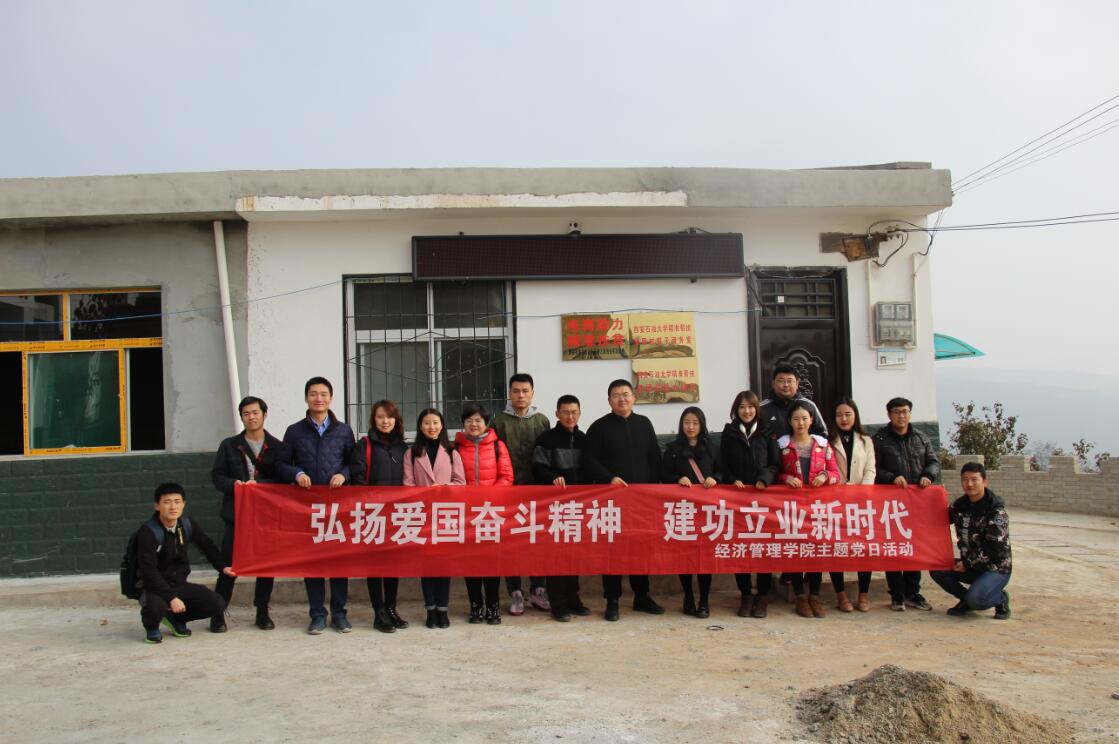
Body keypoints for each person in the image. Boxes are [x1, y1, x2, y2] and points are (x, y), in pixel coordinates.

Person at [276, 376, 356, 635]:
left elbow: (354, 463)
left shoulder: (343, 431)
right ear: (306, 398)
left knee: (339, 562)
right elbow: (281, 464)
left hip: (337, 507)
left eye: (323, 394)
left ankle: (340, 614)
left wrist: (343, 474)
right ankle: (317, 614)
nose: (318, 398)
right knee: (312, 562)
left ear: (331, 398)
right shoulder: (294, 431)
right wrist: (297, 473)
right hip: (308, 507)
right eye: (313, 394)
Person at [583, 378, 665, 621]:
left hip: (641, 501)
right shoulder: (599, 427)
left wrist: (652, 488)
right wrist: (609, 478)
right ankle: (612, 601)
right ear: (609, 400)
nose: (622, 399)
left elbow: (654, 457)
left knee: (640, 549)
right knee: (613, 551)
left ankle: (641, 597)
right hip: (612, 501)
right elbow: (588, 460)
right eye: (616, 395)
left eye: (626, 394)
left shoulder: (644, 423)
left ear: (634, 397)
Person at [210, 395, 283, 633]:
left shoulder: (277, 446)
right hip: (236, 516)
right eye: (246, 414)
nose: (251, 417)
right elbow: (217, 477)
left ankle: (262, 611)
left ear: (264, 414)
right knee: (229, 566)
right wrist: (236, 485)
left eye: (255, 412)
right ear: (242, 417)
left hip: (265, 516)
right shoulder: (229, 445)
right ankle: (218, 612)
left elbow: (282, 480)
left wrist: (260, 486)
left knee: (266, 567)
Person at [136, 483, 235, 644]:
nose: (173, 507)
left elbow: (207, 545)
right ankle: (151, 628)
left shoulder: (186, 524)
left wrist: (223, 567)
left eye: (177, 501)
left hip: (178, 583)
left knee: (217, 603)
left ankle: (176, 619)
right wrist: (171, 598)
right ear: (157, 506)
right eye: (167, 502)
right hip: (152, 587)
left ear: (183, 504)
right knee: (157, 608)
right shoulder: (148, 532)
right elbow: (148, 571)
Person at [873, 396, 941, 612]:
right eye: (896, 412)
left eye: (905, 412)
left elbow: (933, 461)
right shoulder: (880, 439)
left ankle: (913, 592)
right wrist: (891, 477)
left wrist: (928, 475)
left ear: (910, 413)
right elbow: (873, 468)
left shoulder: (921, 438)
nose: (901, 416)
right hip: (891, 503)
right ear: (889, 415)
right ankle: (897, 594)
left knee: (913, 547)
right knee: (893, 548)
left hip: (917, 502)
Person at [492, 373, 552, 615]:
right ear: (509, 393)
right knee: (511, 543)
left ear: (532, 393)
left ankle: (538, 589)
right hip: (508, 494)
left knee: (537, 542)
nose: (520, 395)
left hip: (538, 493)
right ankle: (515, 592)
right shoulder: (498, 421)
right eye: (516, 391)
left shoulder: (542, 421)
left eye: (525, 391)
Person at [719, 390, 781, 618]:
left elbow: (775, 464)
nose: (746, 411)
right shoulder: (729, 433)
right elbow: (722, 465)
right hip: (737, 501)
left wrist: (764, 479)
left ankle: (762, 596)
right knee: (740, 549)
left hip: (762, 499)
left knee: (763, 549)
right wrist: (731, 479)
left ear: (757, 409)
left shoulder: (767, 432)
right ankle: (745, 595)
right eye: (742, 407)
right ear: (736, 410)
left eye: (750, 407)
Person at [404, 407, 466, 629]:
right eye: (427, 423)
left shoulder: (451, 452)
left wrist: (444, 488)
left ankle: (443, 609)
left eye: (436, 423)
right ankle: (430, 609)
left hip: (445, 515)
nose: (432, 427)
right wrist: (423, 496)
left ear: (442, 426)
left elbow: (461, 483)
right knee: (427, 565)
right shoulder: (411, 453)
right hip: (421, 515)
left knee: (443, 564)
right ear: (420, 426)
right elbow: (408, 485)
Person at [351, 399, 411, 633]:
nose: (385, 421)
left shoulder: (403, 448)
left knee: (393, 564)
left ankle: (391, 608)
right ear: (373, 420)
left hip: (397, 514)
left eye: (389, 417)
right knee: (375, 565)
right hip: (373, 514)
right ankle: (379, 612)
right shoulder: (364, 445)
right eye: (380, 417)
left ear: (396, 420)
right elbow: (357, 479)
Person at [532, 394, 592, 621]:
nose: (570, 416)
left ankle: (573, 599)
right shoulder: (546, 439)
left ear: (580, 413)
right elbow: (538, 466)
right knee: (556, 556)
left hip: (579, 507)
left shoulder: (585, 439)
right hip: (554, 507)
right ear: (557, 414)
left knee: (574, 556)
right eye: (565, 412)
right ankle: (558, 604)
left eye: (574, 412)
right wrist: (552, 477)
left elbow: (592, 467)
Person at [777, 402, 840, 618]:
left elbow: (835, 473)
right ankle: (800, 596)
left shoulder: (822, 445)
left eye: (804, 418)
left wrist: (825, 476)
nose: (800, 423)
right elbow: (775, 472)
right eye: (796, 419)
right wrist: (786, 478)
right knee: (795, 551)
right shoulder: (782, 446)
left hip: (817, 507)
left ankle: (814, 595)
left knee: (816, 551)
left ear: (811, 420)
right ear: (790, 421)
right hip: (792, 507)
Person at [455, 403, 514, 625]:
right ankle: (475, 605)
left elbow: (506, 477)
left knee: (491, 561)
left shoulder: (498, 446)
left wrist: (488, 498)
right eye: (469, 420)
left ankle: (493, 606)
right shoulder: (456, 448)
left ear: (486, 423)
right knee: (470, 562)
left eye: (478, 420)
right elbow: (453, 479)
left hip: (491, 512)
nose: (474, 424)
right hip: (466, 514)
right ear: (463, 423)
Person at [931, 463, 1012, 620]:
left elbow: (995, 551)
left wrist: (967, 563)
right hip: (970, 565)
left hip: (995, 569)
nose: (969, 484)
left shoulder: (996, 512)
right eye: (965, 479)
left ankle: (1000, 598)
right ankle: (966, 600)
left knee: (977, 600)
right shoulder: (960, 506)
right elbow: (938, 519)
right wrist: (932, 495)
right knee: (937, 569)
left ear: (985, 482)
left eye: (974, 479)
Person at [662, 406, 719, 618]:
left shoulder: (712, 447)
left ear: (702, 424)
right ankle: (688, 596)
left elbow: (723, 470)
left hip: (706, 510)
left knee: (705, 556)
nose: (691, 427)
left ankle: (704, 600)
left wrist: (716, 478)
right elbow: (663, 475)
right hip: (682, 510)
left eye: (695, 422)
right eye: (687, 422)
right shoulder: (673, 448)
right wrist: (677, 479)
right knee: (684, 555)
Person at [828, 397, 877, 613]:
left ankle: (863, 594)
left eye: (848, 414)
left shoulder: (866, 440)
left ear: (855, 416)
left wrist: (861, 492)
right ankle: (841, 595)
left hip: (861, 502)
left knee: (863, 548)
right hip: (835, 502)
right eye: (839, 415)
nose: (844, 419)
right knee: (835, 548)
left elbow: (870, 469)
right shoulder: (827, 440)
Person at [759, 362, 827, 439]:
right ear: (773, 384)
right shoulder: (761, 408)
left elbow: (823, 434)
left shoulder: (809, 406)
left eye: (789, 381)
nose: (786, 385)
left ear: (797, 384)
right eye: (781, 381)